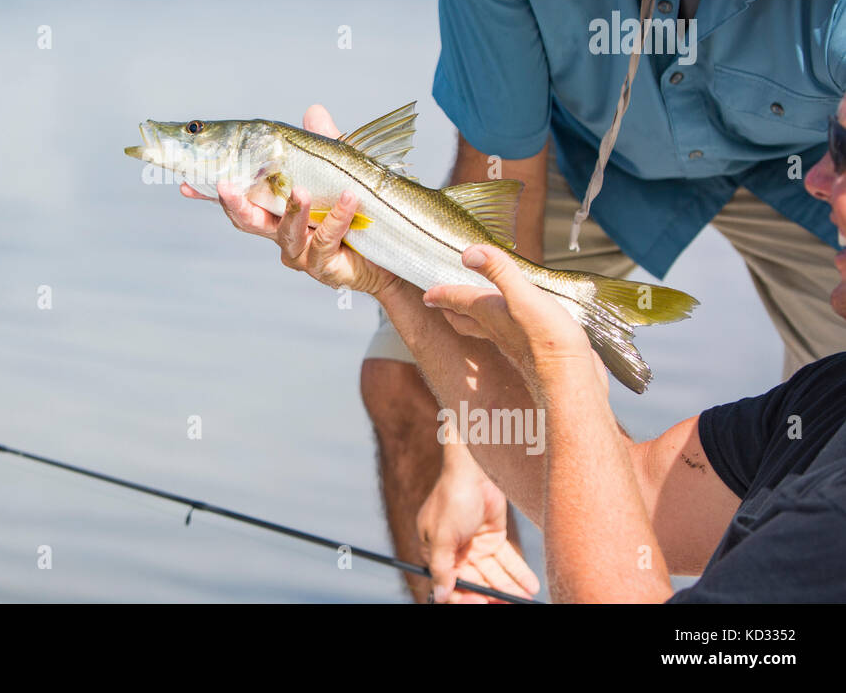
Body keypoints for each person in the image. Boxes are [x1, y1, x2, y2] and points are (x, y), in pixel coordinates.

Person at [358, 0, 846, 599]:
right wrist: (473, 447)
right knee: (410, 382)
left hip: (815, 169)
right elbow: (502, 170)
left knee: (825, 445)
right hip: (586, 153)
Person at [196, 95, 846, 601]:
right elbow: (633, 497)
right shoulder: (828, 404)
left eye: (843, 150)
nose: (814, 179)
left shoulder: (829, 516)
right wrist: (388, 278)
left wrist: (567, 375)